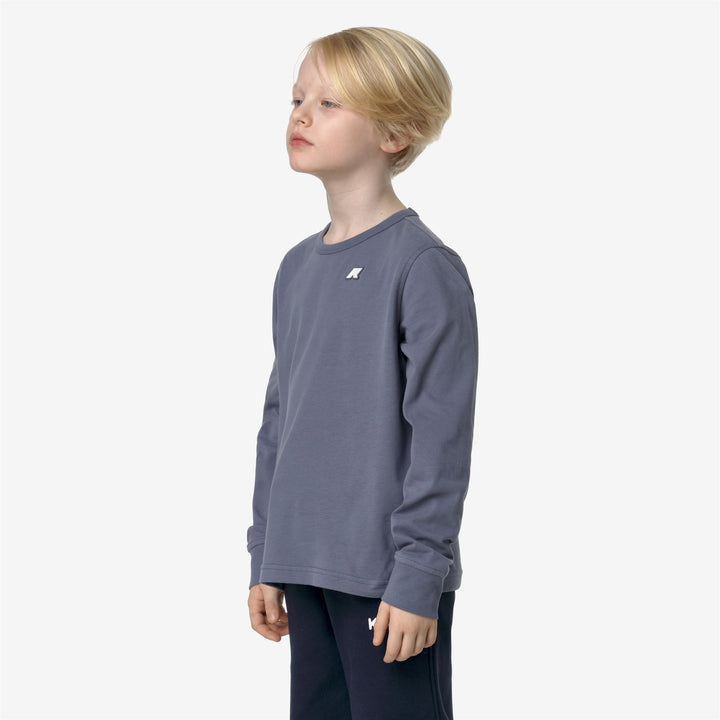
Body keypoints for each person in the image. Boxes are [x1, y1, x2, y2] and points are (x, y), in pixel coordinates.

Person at [246, 26, 478, 720]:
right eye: (297, 99)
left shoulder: (422, 267)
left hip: (386, 578)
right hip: (304, 567)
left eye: (329, 103)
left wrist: (419, 573)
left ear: (395, 133)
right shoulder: (296, 268)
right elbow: (279, 423)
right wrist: (267, 556)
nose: (301, 114)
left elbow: (441, 439)